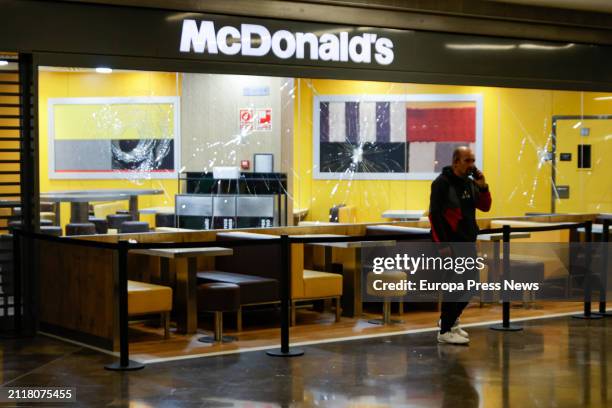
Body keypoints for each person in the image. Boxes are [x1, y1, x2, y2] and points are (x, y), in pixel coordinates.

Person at [429, 146, 491, 344]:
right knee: (454, 285)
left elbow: (485, 206)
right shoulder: (441, 183)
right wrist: (443, 246)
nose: (471, 165)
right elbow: (435, 216)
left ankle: (450, 321)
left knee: (471, 285)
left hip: (467, 241)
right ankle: (445, 330)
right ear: (456, 162)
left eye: (473, 160)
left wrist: (483, 186)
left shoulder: (469, 183)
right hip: (451, 243)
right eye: (467, 161)